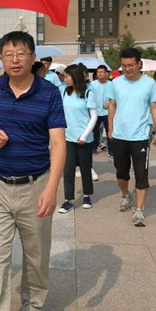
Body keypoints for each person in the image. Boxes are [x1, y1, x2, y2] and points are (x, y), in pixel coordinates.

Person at [0, 31, 66, 311]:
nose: (14, 60)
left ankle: (33, 308)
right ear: (1, 59)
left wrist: (51, 188)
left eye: (21, 54)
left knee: (36, 258)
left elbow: (58, 143)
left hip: (35, 186)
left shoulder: (49, 92)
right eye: (8, 55)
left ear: (32, 57)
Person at [108, 47, 156, 227]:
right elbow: (112, 105)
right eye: (124, 65)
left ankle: (139, 211)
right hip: (120, 135)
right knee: (121, 173)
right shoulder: (116, 82)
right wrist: (110, 128)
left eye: (130, 65)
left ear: (139, 64)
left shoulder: (149, 83)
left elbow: (154, 107)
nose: (127, 69)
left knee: (141, 174)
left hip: (140, 136)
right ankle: (125, 195)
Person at [58, 64, 98, 213]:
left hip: (84, 138)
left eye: (67, 76)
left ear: (75, 77)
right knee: (68, 170)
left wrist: (85, 135)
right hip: (68, 137)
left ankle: (87, 196)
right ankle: (68, 200)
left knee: (85, 168)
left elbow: (94, 116)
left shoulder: (88, 93)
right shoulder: (64, 91)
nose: (65, 79)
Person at [91, 65, 113, 158]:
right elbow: (89, 97)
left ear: (106, 73)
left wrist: (109, 102)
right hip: (96, 112)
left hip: (108, 112)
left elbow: (116, 97)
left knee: (110, 131)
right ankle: (94, 148)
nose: (99, 74)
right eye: (98, 72)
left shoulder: (111, 84)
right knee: (94, 131)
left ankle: (111, 151)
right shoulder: (92, 84)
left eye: (102, 72)